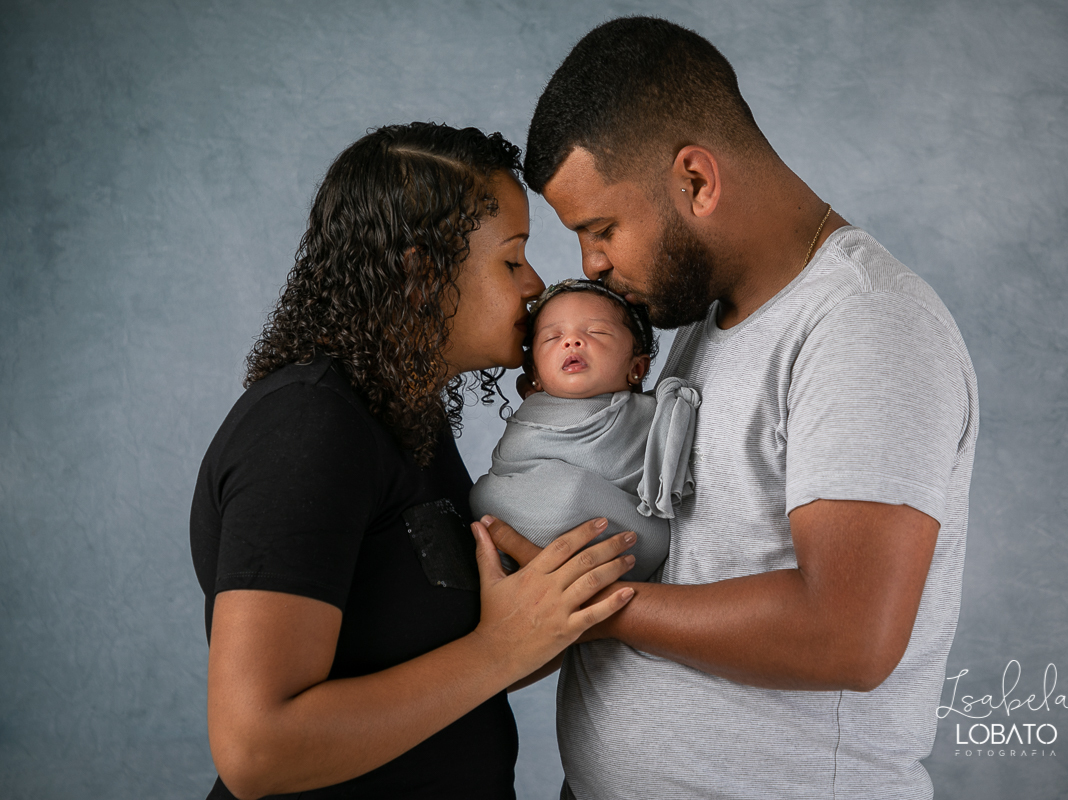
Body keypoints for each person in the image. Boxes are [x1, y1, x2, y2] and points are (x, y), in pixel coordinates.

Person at [484, 17, 980, 799]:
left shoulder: (866, 325)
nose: (589, 266)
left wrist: (588, 605)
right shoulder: (707, 319)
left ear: (695, 181)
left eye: (601, 227)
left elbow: (847, 633)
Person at [188, 122, 639, 800]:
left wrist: (552, 615)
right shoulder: (308, 427)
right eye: (512, 259)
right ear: (423, 274)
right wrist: (502, 649)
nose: (536, 285)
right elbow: (257, 750)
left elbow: (435, 660)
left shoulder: (404, 412)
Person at [470, 279, 700, 582]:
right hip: (518, 549)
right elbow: (502, 482)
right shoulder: (530, 419)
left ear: (637, 369)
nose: (572, 341)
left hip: (631, 549)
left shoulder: (655, 415)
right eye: (553, 337)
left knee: (647, 533)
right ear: (535, 378)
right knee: (483, 493)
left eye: (596, 332)